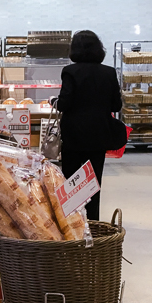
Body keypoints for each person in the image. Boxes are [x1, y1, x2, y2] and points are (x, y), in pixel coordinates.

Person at [56, 30, 123, 221]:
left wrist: (55, 101)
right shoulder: (109, 72)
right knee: (93, 182)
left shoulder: (70, 71)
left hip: (73, 137)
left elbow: (64, 104)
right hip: (98, 136)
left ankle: (73, 222)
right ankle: (92, 223)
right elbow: (116, 105)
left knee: (72, 181)